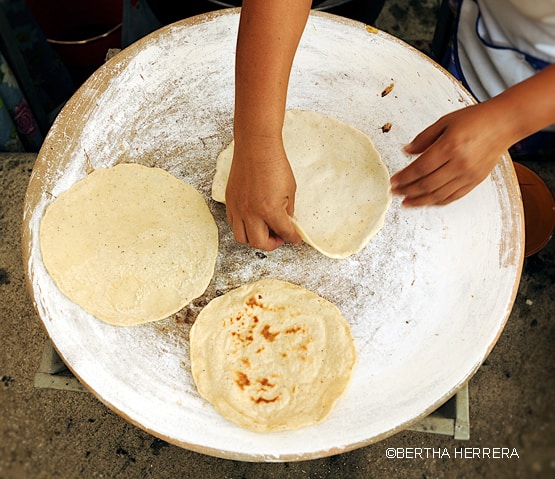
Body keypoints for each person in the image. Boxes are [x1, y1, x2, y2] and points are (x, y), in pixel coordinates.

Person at [226, 0, 555, 252]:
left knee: (500, 183)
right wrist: (258, 139)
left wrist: (508, 121)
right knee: (453, 77)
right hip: (481, 25)